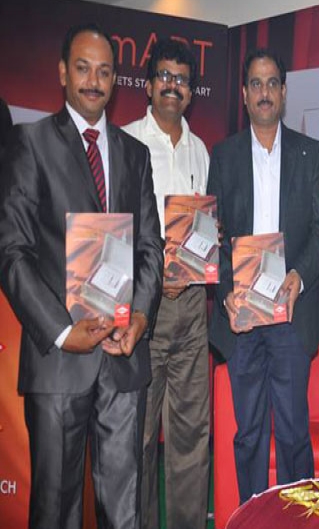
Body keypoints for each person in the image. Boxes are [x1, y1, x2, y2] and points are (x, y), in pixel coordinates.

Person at [0, 23, 163, 529]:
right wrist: (61, 331)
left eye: (105, 71)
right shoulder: (30, 143)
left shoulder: (135, 154)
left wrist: (139, 318)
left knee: (124, 513)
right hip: (59, 361)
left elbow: (150, 248)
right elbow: (12, 251)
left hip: (122, 357)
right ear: (62, 73)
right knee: (55, 511)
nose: (94, 81)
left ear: (115, 80)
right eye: (83, 68)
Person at [207, 48, 319, 501]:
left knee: (294, 432)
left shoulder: (309, 152)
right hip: (242, 317)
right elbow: (213, 235)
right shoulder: (224, 155)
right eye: (255, 84)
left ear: (283, 91)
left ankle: (299, 522)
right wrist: (226, 292)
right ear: (244, 94)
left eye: (272, 83)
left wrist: (299, 275)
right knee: (250, 434)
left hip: (290, 312)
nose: (264, 92)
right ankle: (254, 518)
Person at [122, 38, 211, 529]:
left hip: (192, 310)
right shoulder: (125, 142)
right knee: (136, 436)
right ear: (149, 84)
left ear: (190, 92)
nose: (172, 86)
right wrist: (152, 281)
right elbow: (115, 231)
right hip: (142, 311)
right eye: (164, 77)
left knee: (191, 436)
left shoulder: (201, 151)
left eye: (181, 79)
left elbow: (201, 231)